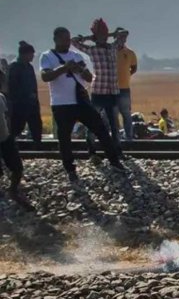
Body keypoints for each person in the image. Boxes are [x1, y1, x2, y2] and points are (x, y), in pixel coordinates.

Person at [40, 27, 125, 182]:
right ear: (56, 39)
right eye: (64, 39)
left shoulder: (76, 55)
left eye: (68, 39)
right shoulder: (47, 56)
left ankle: (114, 161)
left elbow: (88, 77)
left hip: (80, 100)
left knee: (101, 129)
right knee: (64, 138)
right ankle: (70, 169)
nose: (67, 42)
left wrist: (79, 69)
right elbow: (46, 76)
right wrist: (64, 68)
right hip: (61, 104)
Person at [71, 19, 128, 148]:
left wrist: (108, 35)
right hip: (98, 91)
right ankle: (91, 150)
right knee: (94, 122)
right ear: (95, 36)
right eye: (100, 34)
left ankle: (117, 151)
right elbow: (74, 41)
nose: (102, 37)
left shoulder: (113, 47)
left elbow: (125, 34)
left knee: (114, 124)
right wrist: (89, 37)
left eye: (104, 34)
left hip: (113, 91)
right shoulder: (92, 50)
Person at [6, 41, 42, 143]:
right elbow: (12, 87)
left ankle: (38, 146)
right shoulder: (14, 67)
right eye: (31, 54)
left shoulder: (29, 67)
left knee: (36, 126)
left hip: (32, 103)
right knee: (16, 126)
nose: (33, 56)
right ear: (24, 54)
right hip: (19, 104)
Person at [0, 91, 25, 203]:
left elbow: (6, 117)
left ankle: (13, 191)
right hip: (5, 137)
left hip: (5, 137)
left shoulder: (1, 97)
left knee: (17, 167)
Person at [115, 29, 137, 142]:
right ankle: (116, 137)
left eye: (124, 38)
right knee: (113, 114)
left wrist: (127, 75)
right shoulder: (110, 51)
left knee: (126, 114)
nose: (122, 40)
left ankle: (129, 137)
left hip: (124, 88)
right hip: (111, 89)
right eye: (120, 37)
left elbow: (134, 67)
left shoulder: (129, 53)